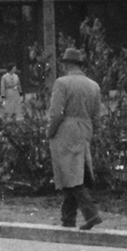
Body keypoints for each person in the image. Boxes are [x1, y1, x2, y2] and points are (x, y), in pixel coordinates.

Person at [48, 47, 103, 230]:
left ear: (67, 64)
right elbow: (97, 116)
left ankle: (91, 213)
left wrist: (50, 132)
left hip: (66, 130)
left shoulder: (62, 83)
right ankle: (68, 220)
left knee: (69, 175)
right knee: (74, 172)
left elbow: (56, 113)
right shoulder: (93, 85)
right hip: (85, 129)